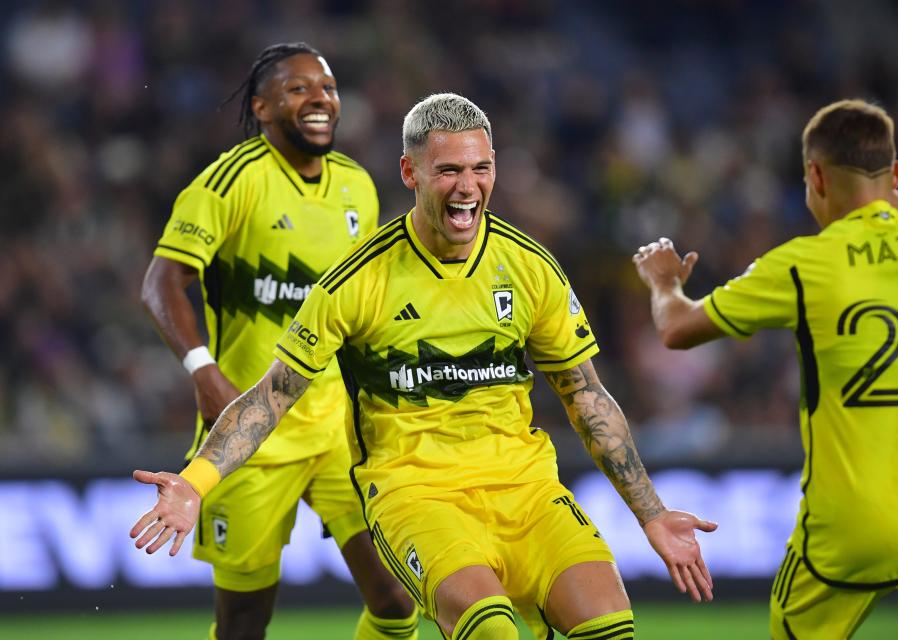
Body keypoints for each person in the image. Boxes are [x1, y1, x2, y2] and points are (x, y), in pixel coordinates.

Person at [132, 92, 717, 640]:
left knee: (611, 629)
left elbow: (586, 396)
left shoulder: (529, 266)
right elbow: (270, 398)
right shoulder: (358, 281)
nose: (468, 188)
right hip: (416, 494)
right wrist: (194, 482)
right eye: (449, 171)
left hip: (528, 490)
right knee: (489, 627)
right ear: (411, 173)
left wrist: (653, 514)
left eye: (480, 168)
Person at [632, 99, 898, 639]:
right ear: (895, 174)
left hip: (853, 524)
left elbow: (677, 329)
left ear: (815, 176)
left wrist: (664, 281)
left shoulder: (805, 263)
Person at [138, 42, 418, 640]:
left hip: (341, 430)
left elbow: (362, 311)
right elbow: (161, 282)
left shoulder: (357, 187)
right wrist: (204, 372)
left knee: (398, 598)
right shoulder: (230, 181)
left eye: (328, 88)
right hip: (251, 433)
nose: (319, 99)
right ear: (262, 108)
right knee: (243, 623)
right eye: (299, 89)